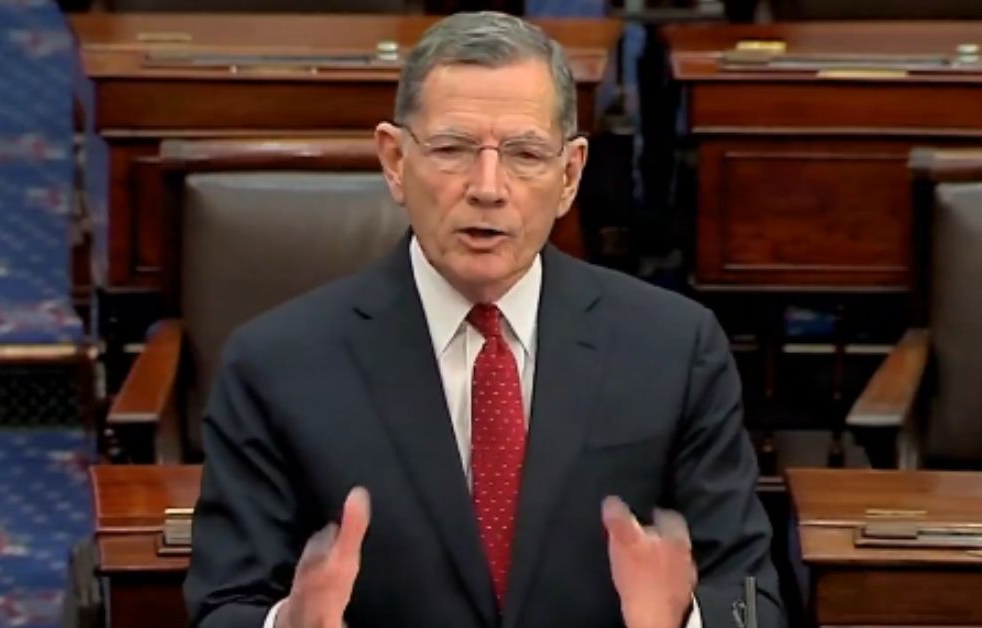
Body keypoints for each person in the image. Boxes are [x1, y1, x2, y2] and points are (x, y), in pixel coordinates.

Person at [184, 11, 783, 628]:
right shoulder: (276, 364)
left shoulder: (674, 349)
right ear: (394, 160)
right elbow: (224, 608)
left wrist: (678, 623)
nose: (489, 187)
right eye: (452, 149)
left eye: (524, 154)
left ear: (571, 174)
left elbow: (751, 602)